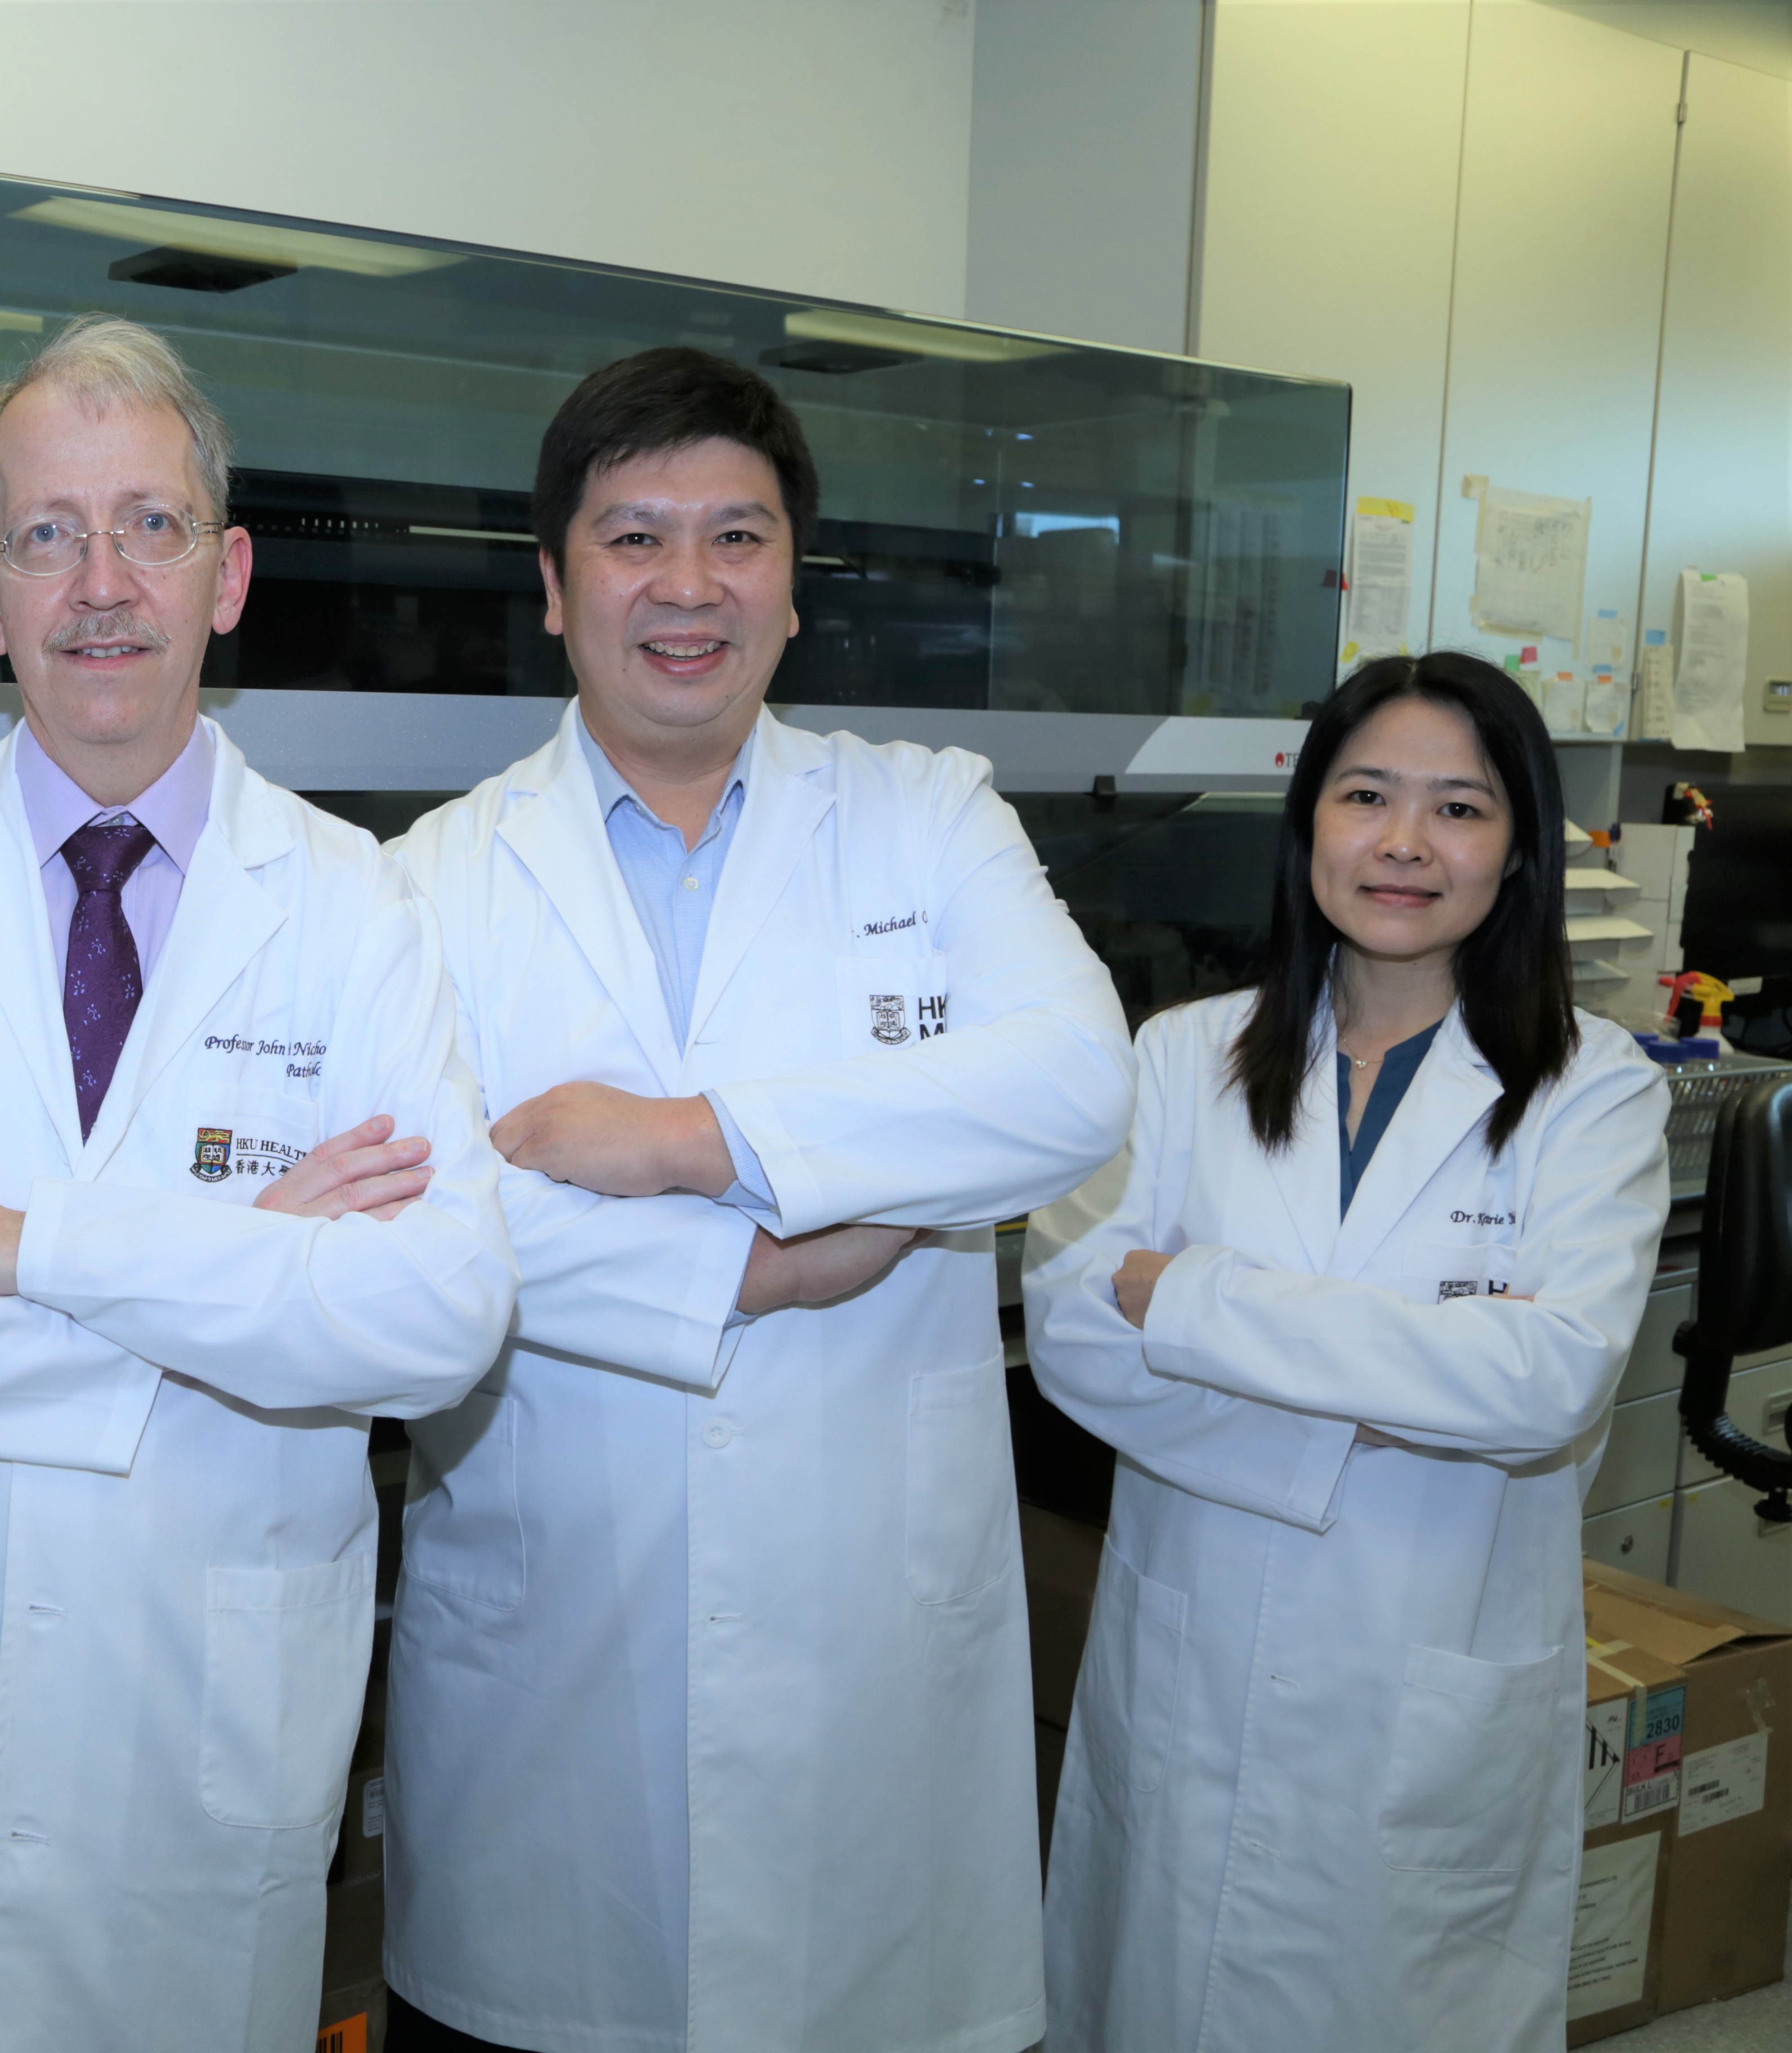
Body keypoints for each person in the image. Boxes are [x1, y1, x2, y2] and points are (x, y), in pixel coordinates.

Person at [0, 315, 516, 2053]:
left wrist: (15, 1248)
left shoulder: (357, 906)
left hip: (184, 1736)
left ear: (231, 574)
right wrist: (230, 1283)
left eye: (151, 524)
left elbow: (440, 1318)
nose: (102, 582)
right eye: (50, 534)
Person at [384, 347, 1135, 2053]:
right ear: (554, 586)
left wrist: (685, 1139)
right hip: (554, 1667)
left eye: (739, 536)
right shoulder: (426, 884)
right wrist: (765, 1278)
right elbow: (416, 1230)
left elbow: (1074, 1085)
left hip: (868, 1668)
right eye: (635, 537)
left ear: (796, 587)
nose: (689, 586)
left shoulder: (927, 816)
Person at [1024, 651, 1669, 2052]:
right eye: (1368, 795)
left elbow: (1543, 1380)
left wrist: (1188, 1300)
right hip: (1189, 1661)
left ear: (1518, 851)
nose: (1404, 843)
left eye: (1460, 807)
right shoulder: (1179, 1060)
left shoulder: (1591, 1090)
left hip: (1422, 1669)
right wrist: (1385, 1396)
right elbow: (1073, 1326)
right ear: (1310, 818)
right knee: (1156, 1999)